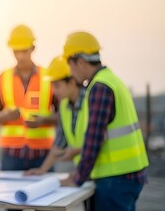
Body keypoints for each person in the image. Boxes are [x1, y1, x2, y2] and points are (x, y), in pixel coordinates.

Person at [60, 31, 149, 211]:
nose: (70, 72)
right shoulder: (112, 80)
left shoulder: (99, 87)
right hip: (128, 175)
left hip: (115, 179)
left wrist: (78, 178)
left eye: (69, 65)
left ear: (80, 62)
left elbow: (94, 140)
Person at [0, 24, 58, 173]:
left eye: (24, 51)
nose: (20, 56)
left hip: (43, 155)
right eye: (16, 51)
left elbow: (64, 115)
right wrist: (4, 116)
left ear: (33, 48)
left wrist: (44, 120)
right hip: (11, 154)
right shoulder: (2, 78)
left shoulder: (49, 77)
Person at [24, 56, 86, 176]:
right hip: (86, 172)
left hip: (107, 171)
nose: (54, 91)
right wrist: (42, 170)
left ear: (72, 82)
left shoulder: (91, 100)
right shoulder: (64, 106)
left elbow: (99, 139)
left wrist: (77, 151)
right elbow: (60, 143)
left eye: (57, 86)